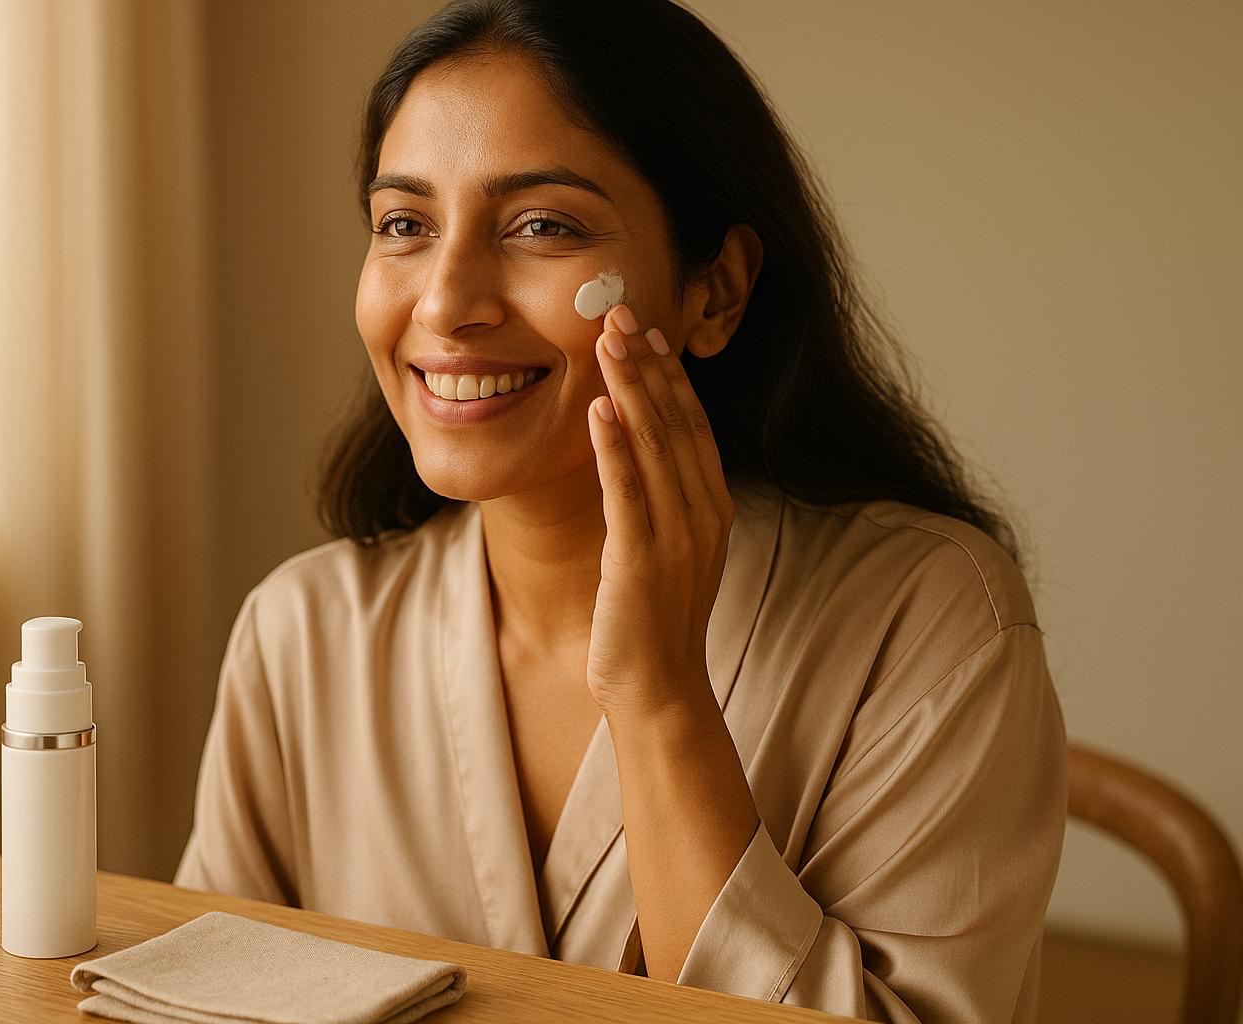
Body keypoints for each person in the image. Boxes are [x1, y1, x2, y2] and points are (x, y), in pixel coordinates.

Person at [175, 1, 1066, 1021]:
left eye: (543, 225)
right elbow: (203, 999)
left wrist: (659, 695)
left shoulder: (931, 616)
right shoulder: (303, 631)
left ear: (715, 291)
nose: (444, 299)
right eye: (405, 225)